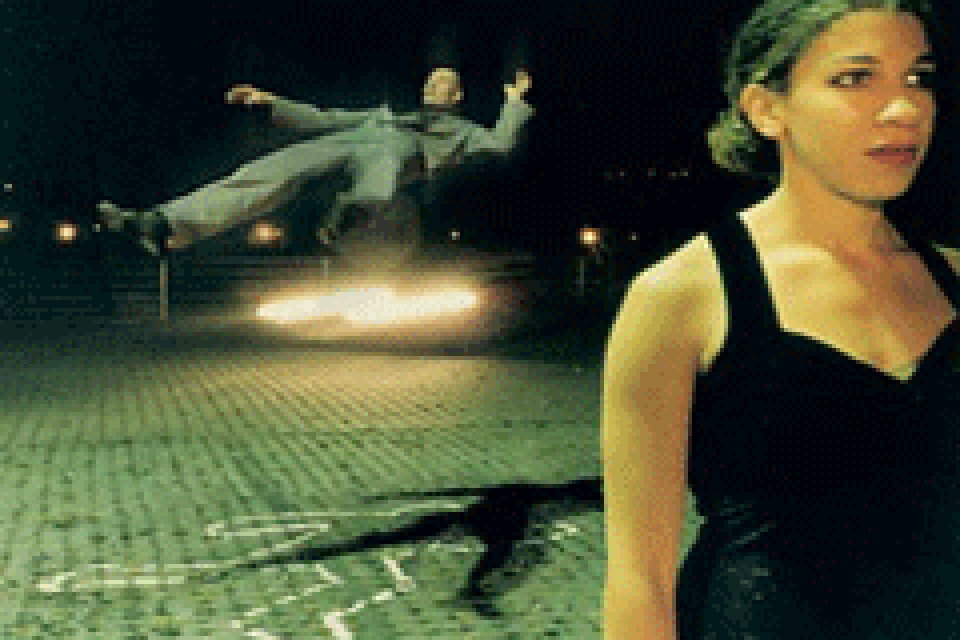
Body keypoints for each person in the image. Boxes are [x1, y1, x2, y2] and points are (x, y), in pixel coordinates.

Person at [603, 2, 958, 639]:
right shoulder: (684, 295)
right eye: (856, 78)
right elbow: (640, 579)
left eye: (918, 77)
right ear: (767, 110)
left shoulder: (953, 279)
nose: (905, 108)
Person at [98, 67, 534, 265]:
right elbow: (324, 118)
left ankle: (351, 214)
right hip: (349, 142)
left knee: (384, 160)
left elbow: (500, 145)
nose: (433, 86)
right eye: (430, 81)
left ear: (457, 96)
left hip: (391, 161)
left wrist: (513, 103)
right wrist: (269, 101)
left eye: (443, 84)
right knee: (268, 171)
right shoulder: (381, 115)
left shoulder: (464, 131)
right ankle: (163, 224)